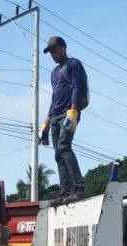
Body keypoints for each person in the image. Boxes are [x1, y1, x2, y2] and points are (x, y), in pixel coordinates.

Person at [40, 36, 89, 202]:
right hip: (55, 116)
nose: (52, 54)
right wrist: (46, 124)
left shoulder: (73, 64)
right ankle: (64, 192)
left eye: (54, 50)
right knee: (58, 154)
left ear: (63, 47)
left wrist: (74, 111)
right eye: (50, 52)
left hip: (68, 113)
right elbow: (54, 99)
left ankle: (79, 188)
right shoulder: (54, 73)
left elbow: (76, 87)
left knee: (64, 146)